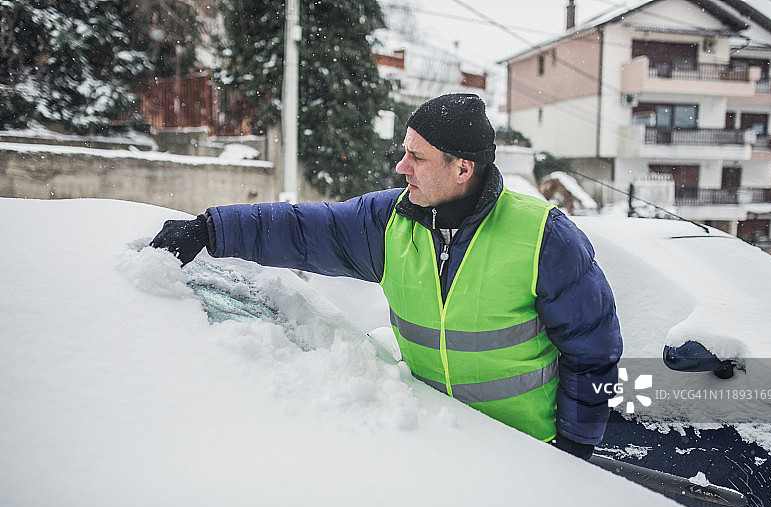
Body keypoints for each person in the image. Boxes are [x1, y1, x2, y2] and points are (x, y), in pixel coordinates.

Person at [151, 93, 622, 460]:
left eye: (417, 157)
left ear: (463, 168)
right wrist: (210, 228)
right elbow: (302, 229)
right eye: (404, 152)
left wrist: (575, 448)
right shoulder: (390, 221)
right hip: (434, 439)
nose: (401, 167)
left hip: (527, 452)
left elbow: (594, 352)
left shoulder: (544, 236)